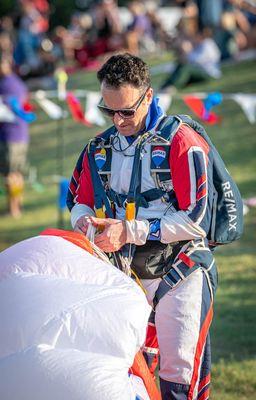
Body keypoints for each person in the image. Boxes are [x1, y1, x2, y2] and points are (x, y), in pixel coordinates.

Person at [67, 53, 218, 400]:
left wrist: (129, 230)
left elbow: (196, 220)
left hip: (180, 271)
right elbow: (79, 199)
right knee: (125, 373)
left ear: (148, 96)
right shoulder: (99, 147)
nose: (118, 120)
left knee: (178, 379)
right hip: (123, 275)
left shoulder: (181, 142)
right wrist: (85, 221)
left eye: (127, 111)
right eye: (109, 111)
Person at [0, 51, 29, 218]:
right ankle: (17, 205)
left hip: (10, 135)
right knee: (16, 173)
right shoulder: (18, 83)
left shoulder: (5, 85)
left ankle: (13, 209)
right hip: (21, 135)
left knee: (10, 174)